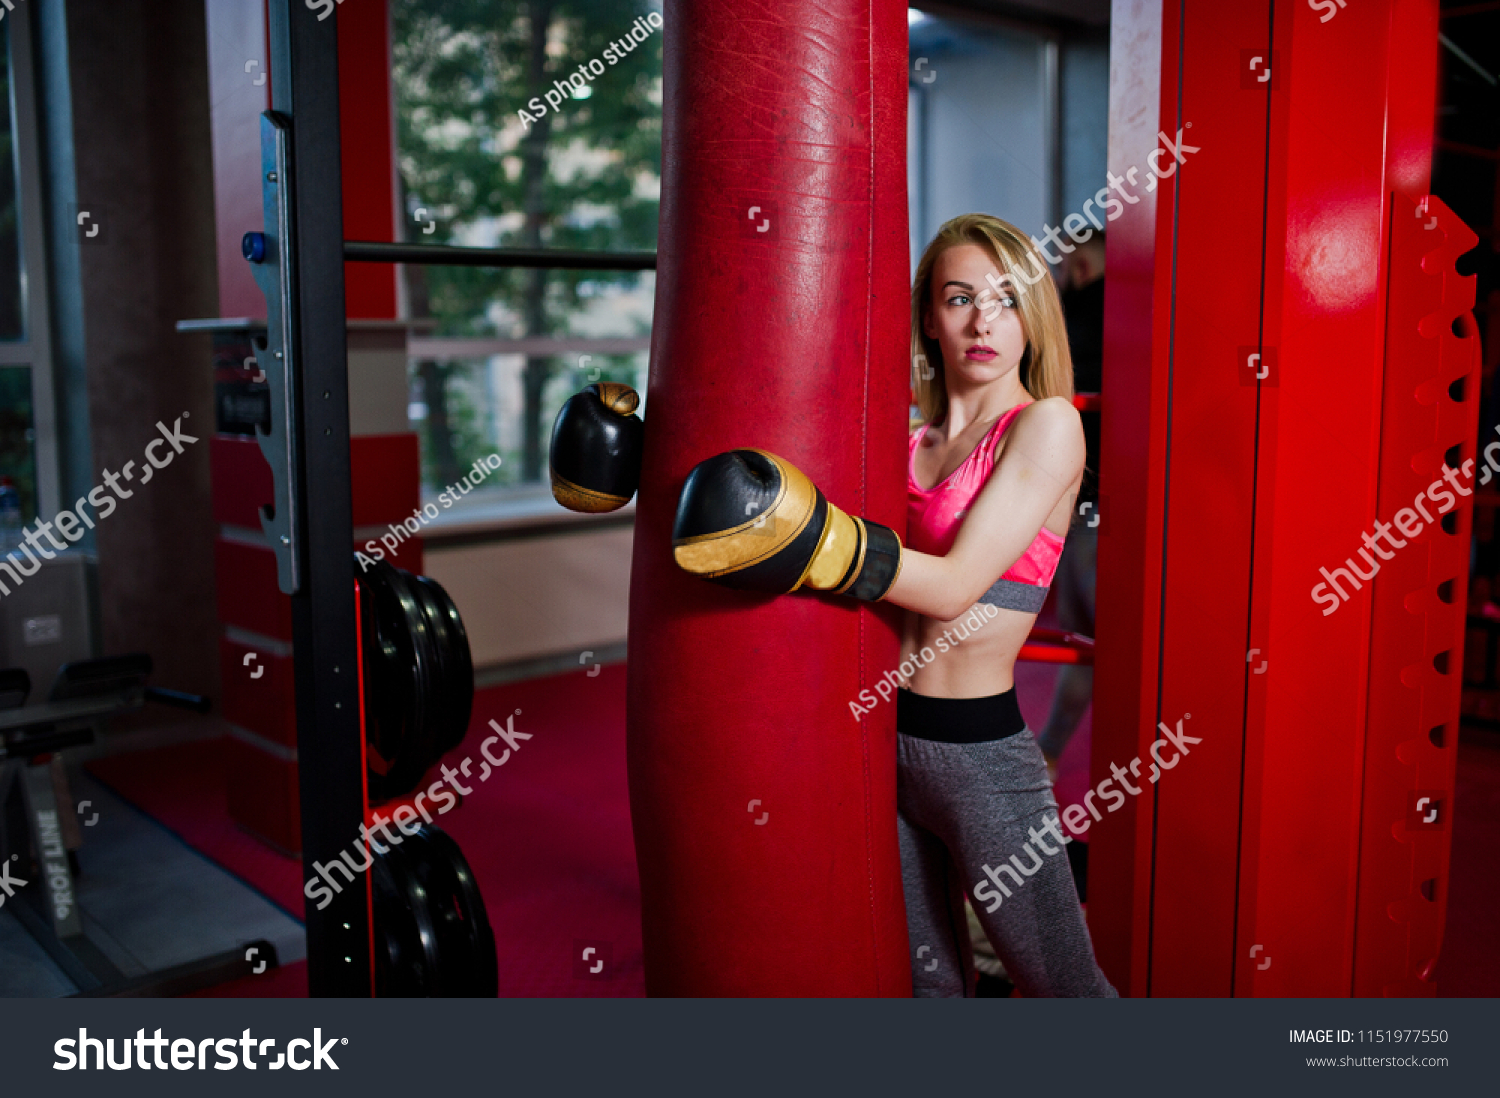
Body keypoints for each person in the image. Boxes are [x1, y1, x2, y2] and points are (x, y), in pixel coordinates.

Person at [667, 212, 1116, 998]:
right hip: (880, 744)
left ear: (1033, 315)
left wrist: (809, 542)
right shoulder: (903, 442)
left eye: (1005, 299)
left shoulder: (1046, 428)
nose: (982, 320)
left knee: (1068, 989)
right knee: (929, 988)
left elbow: (948, 589)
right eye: (958, 297)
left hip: (980, 757)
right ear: (929, 319)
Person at [1037, 233, 1105, 779]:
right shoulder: (1128, 314)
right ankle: (1051, 752)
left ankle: (1052, 753)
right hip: (1101, 500)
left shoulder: (1082, 317)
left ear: (1080, 265)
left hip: (1093, 500)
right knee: (1093, 638)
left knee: (1094, 637)